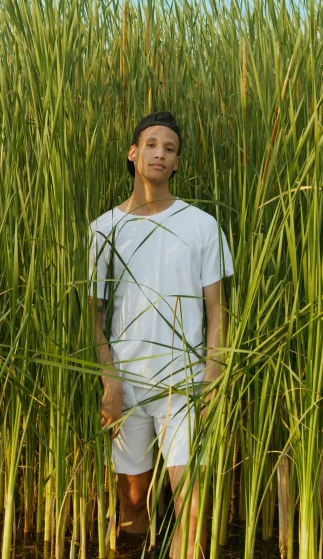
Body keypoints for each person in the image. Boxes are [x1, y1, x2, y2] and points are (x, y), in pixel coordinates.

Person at [89, 111, 233, 558]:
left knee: (191, 514)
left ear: (175, 164)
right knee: (132, 511)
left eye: (169, 149)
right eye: (152, 144)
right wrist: (110, 382)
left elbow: (217, 310)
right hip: (127, 386)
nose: (159, 153)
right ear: (133, 154)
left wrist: (213, 376)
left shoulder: (201, 225)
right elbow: (93, 315)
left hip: (184, 384)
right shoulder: (103, 229)